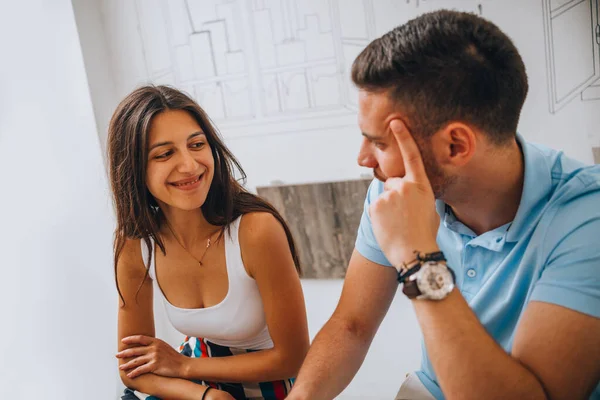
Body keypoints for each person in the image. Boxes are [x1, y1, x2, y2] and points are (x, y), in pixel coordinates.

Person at [286, 9, 600, 400]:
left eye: (380, 143)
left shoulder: (589, 217)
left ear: (456, 146)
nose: (364, 159)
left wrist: (419, 261)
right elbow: (352, 325)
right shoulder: (394, 191)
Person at [107, 85, 309, 400]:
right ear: (134, 169)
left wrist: (186, 367)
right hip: (196, 387)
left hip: (273, 385)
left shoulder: (256, 231)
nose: (189, 165)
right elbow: (132, 368)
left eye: (197, 144)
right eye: (164, 154)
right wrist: (205, 397)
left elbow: (292, 358)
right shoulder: (135, 243)